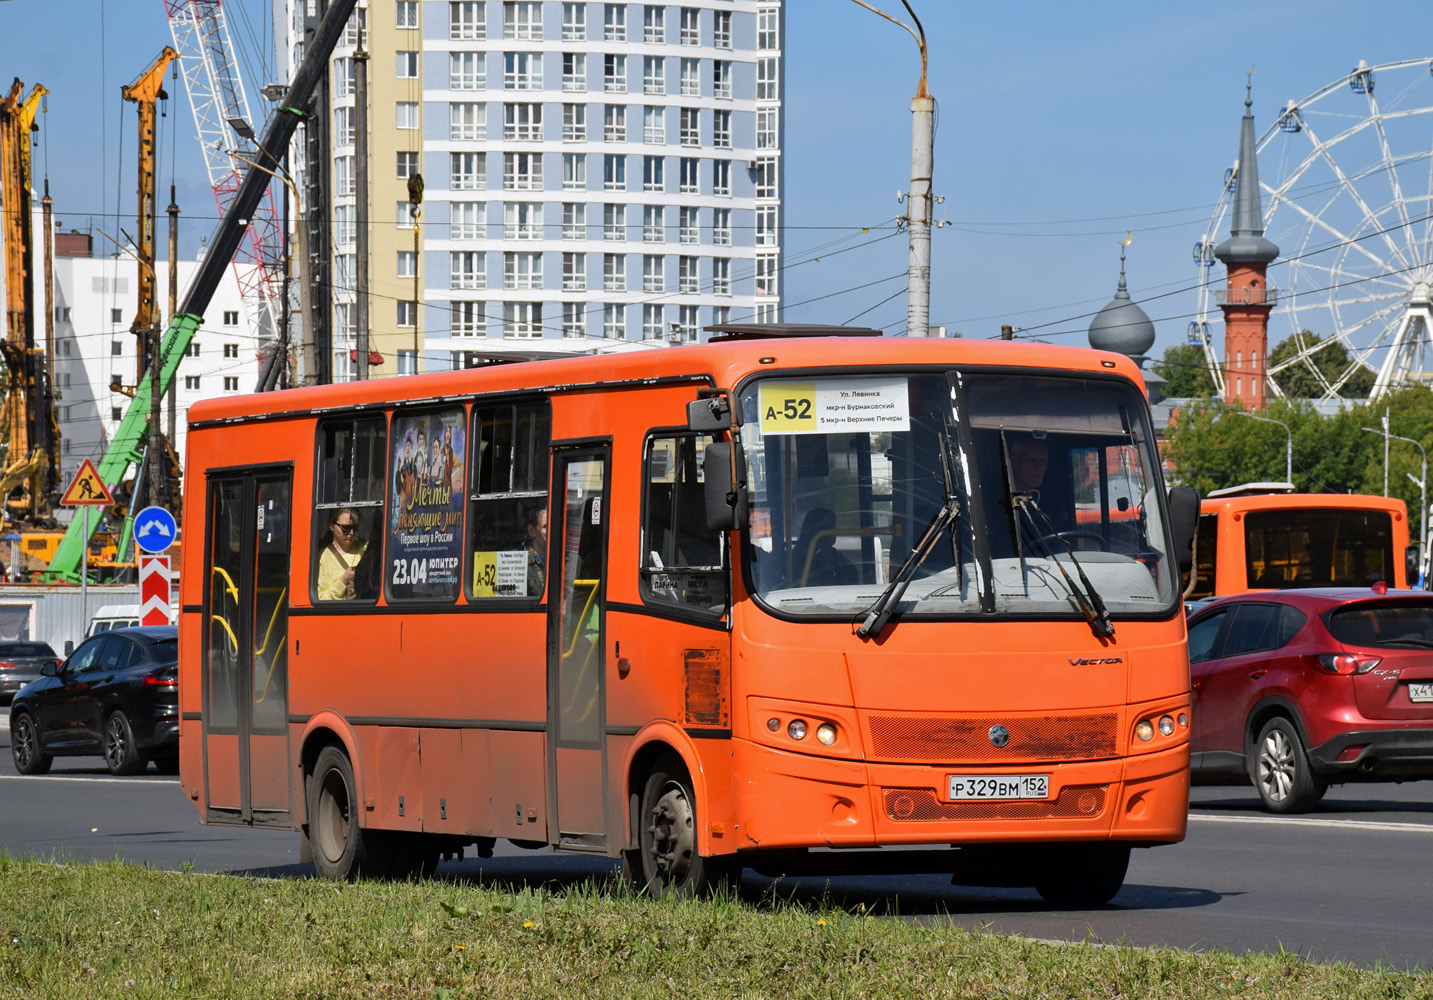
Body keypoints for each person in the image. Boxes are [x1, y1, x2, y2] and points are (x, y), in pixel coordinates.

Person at [794, 506, 856, 586]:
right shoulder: (794, 563)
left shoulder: (842, 562)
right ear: (809, 531)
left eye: (832, 526)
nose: (829, 531)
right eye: (822, 527)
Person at [317, 508, 367, 601]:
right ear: (332, 526)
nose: (351, 533)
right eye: (345, 528)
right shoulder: (323, 557)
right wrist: (343, 580)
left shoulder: (365, 549)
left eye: (355, 528)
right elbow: (321, 599)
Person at [526, 505, 548, 598]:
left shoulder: (570, 560)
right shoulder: (522, 563)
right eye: (546, 526)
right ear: (532, 531)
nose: (552, 530)